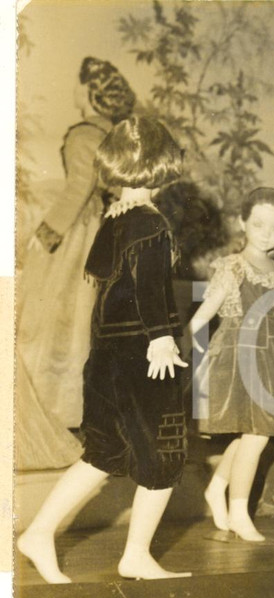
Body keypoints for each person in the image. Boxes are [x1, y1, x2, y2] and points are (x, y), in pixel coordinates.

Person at [15, 116, 189, 583]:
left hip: (108, 357)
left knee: (103, 451)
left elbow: (98, 275)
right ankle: (135, 555)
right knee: (164, 454)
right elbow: (151, 289)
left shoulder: (112, 220)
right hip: (145, 355)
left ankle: (40, 531)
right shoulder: (151, 224)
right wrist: (162, 338)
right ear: (159, 168)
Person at [189, 188, 274, 542]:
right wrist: (186, 339)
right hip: (241, 354)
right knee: (256, 435)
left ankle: (216, 488)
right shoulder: (233, 266)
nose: (267, 233)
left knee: (252, 433)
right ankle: (238, 512)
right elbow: (205, 312)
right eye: (259, 224)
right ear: (243, 223)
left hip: (273, 354)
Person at [18, 57, 136, 429]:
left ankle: (50, 410)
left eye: (77, 84)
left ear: (88, 91)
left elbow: (78, 187)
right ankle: (74, 409)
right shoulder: (115, 133)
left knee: (57, 316)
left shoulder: (85, 134)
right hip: (101, 230)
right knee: (79, 320)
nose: (73, 89)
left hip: (77, 233)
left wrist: (47, 234)